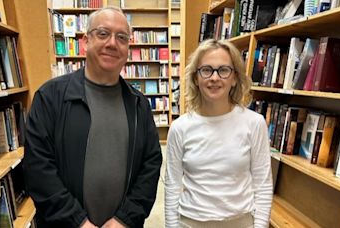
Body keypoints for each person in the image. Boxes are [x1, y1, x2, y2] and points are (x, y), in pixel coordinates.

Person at [23, 7, 162, 228]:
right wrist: (78, 222)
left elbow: (151, 165)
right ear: (86, 41)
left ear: (128, 47)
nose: (112, 43)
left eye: (122, 37)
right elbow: (38, 168)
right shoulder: (50, 97)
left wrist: (124, 219)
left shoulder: (139, 104)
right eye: (103, 33)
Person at [165, 39, 273, 228]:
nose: (214, 78)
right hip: (191, 223)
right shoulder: (180, 127)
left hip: (241, 223)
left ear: (234, 79)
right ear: (196, 79)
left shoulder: (254, 123)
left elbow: (262, 185)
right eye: (206, 70)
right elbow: (172, 186)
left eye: (223, 70)